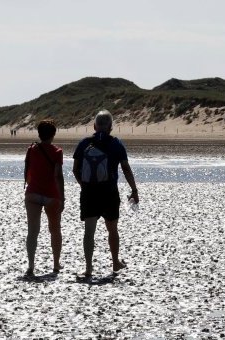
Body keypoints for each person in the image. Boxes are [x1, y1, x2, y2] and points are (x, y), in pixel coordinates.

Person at [71, 110, 139, 279]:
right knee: (112, 230)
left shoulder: (84, 144)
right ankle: (115, 261)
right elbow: (126, 169)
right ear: (111, 127)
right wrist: (134, 190)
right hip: (109, 192)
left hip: (89, 193)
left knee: (89, 232)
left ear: (94, 126)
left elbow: (75, 169)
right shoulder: (116, 144)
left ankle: (88, 268)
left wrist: (84, 186)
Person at [22, 119, 64, 278]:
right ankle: (56, 264)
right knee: (54, 230)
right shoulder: (57, 151)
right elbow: (58, 176)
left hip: (32, 193)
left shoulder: (31, 149)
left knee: (32, 231)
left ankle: (31, 265)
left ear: (39, 134)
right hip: (51, 194)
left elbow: (28, 172)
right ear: (53, 134)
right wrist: (63, 197)